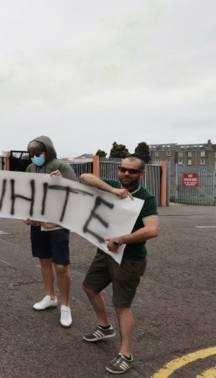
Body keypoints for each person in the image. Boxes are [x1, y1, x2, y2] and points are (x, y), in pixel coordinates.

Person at [79, 155, 159, 375]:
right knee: (89, 287)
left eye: (132, 171)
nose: (125, 174)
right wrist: (112, 190)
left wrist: (122, 239)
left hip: (130, 258)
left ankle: (126, 354)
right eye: (122, 169)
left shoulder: (146, 198)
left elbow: (152, 229)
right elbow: (84, 177)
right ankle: (105, 327)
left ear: (141, 174)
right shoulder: (113, 186)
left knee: (122, 305)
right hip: (105, 252)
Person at [25, 136, 78, 327]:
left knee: (61, 266)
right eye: (32, 154)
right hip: (37, 223)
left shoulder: (62, 167)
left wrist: (62, 182)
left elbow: (76, 191)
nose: (35, 157)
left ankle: (65, 305)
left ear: (47, 151)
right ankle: (50, 296)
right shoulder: (30, 169)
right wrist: (27, 213)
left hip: (57, 224)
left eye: (38, 153)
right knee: (44, 262)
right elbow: (27, 193)